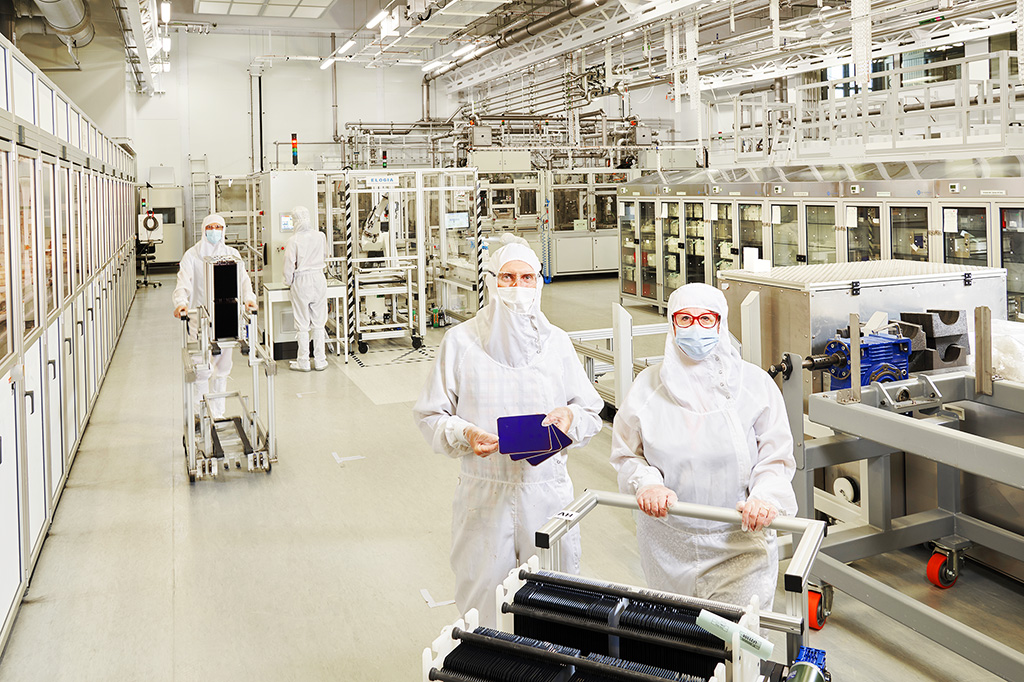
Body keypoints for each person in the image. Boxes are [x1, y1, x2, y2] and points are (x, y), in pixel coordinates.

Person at [413, 237, 603, 627]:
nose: (518, 287)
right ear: (492, 282)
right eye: (508, 277)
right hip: (483, 491)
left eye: (527, 277)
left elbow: (589, 410)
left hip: (546, 489)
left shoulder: (558, 345)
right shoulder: (461, 342)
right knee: (482, 597)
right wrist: (464, 433)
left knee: (556, 599)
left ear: (539, 283)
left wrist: (569, 417)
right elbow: (431, 414)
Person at [610, 283, 797, 610]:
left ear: (721, 323)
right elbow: (628, 455)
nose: (695, 329)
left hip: (739, 543)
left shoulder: (754, 386)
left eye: (706, 319)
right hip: (668, 543)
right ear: (671, 324)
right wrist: (647, 484)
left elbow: (775, 458)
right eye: (685, 319)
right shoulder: (646, 389)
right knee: (678, 641)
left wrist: (765, 497)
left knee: (738, 643)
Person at [173, 214, 258, 419]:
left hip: (226, 320)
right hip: (199, 319)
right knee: (201, 369)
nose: (214, 231)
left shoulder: (232, 254)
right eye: (210, 227)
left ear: (224, 230)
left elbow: (244, 280)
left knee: (222, 370)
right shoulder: (192, 255)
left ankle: (218, 415)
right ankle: (200, 415)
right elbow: (183, 282)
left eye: (218, 227)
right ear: (203, 229)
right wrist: (181, 303)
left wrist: (249, 299)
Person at [282, 206, 329, 372]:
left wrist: (288, 282)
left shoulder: (293, 240)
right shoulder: (320, 236)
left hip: (302, 281)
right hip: (319, 278)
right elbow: (325, 256)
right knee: (319, 322)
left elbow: (288, 265)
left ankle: (303, 361)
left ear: (295, 221)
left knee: (302, 322)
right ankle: (320, 360)